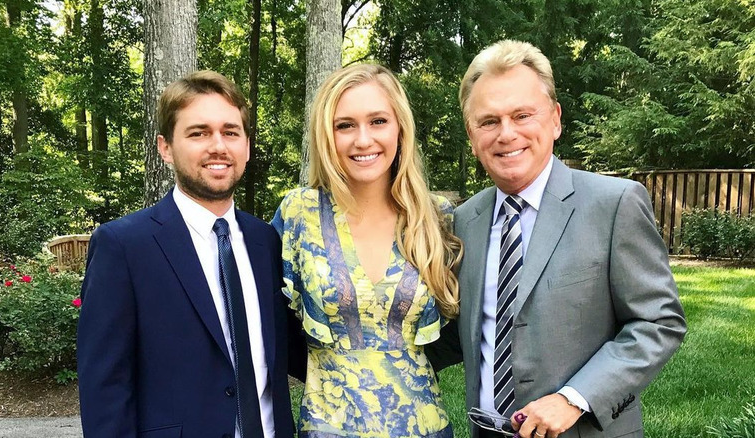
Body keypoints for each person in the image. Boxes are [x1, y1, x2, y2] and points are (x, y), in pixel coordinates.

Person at [427, 40, 687, 438]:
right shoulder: (465, 221)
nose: (506, 133)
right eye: (489, 121)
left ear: (555, 120)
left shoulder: (614, 204)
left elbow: (658, 321)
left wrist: (574, 397)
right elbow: (468, 333)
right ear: (471, 134)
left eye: (522, 115)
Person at [77, 70, 304, 438]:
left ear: (246, 146)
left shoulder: (266, 241)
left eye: (230, 132)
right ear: (165, 147)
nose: (218, 146)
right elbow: (104, 387)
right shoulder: (123, 246)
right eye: (198, 133)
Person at [272, 63, 462, 437]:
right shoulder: (299, 214)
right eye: (345, 125)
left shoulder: (436, 217)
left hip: (423, 425)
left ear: (400, 128)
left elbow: (461, 331)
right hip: (329, 426)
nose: (363, 140)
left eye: (378, 121)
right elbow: (274, 327)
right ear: (327, 135)